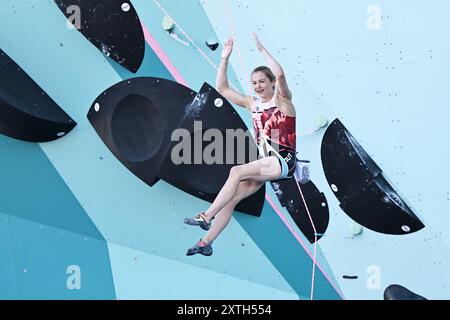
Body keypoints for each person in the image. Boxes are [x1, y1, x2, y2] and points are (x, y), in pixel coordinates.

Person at [184, 33, 297, 256]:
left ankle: (206, 216)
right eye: (254, 83)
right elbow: (223, 89)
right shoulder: (252, 104)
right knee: (231, 199)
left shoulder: (283, 103)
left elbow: (281, 74)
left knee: (236, 171)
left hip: (283, 160)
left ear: (272, 83)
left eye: (262, 82)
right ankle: (206, 243)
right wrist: (224, 58)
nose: (257, 86)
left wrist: (262, 50)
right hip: (266, 163)